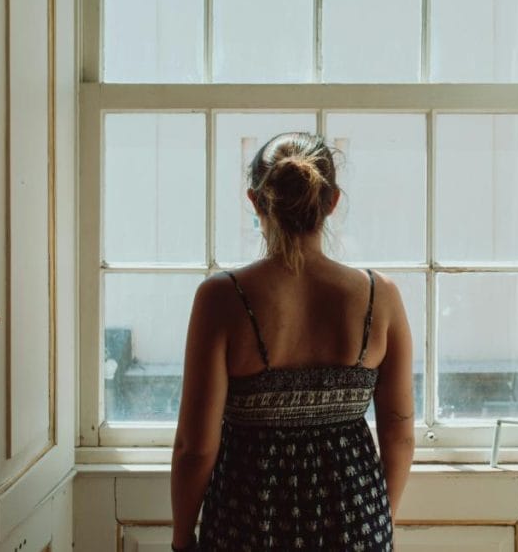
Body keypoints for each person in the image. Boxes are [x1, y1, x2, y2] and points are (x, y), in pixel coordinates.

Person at [170, 132, 416, 551]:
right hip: (355, 520)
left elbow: (196, 448)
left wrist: (181, 538)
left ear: (256, 200)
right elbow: (399, 433)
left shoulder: (222, 298)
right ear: (333, 201)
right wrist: (377, 516)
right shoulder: (380, 295)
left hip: (245, 521)